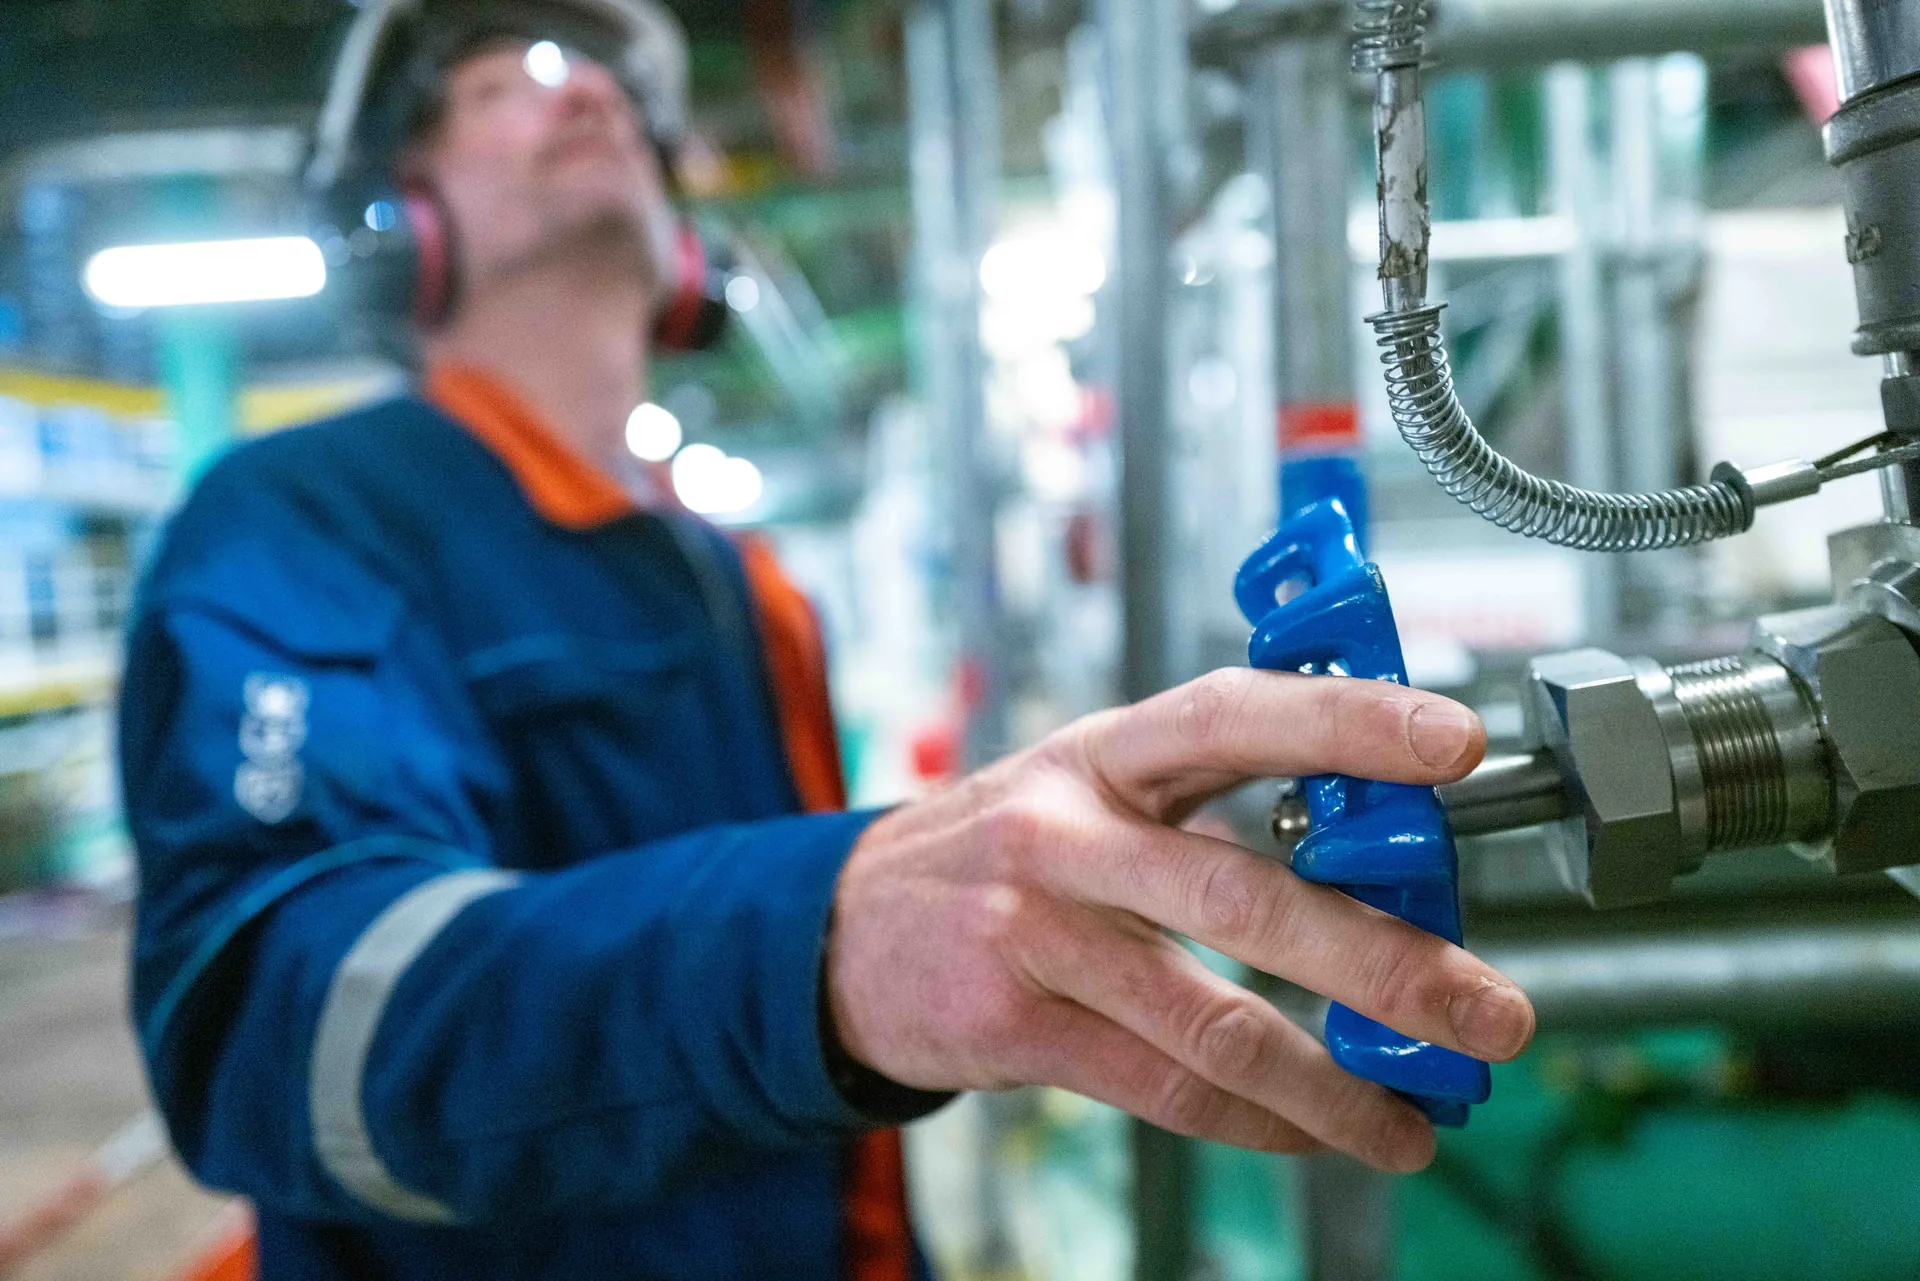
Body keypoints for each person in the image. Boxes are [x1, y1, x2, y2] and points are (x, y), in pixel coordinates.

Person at [118, 2, 1536, 1278]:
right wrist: (826, 938)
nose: (589, 94)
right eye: (514, 74)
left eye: (618, 83)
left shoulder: (738, 582)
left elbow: (811, 1065)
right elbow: (267, 1023)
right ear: (394, 209)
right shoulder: (295, 522)